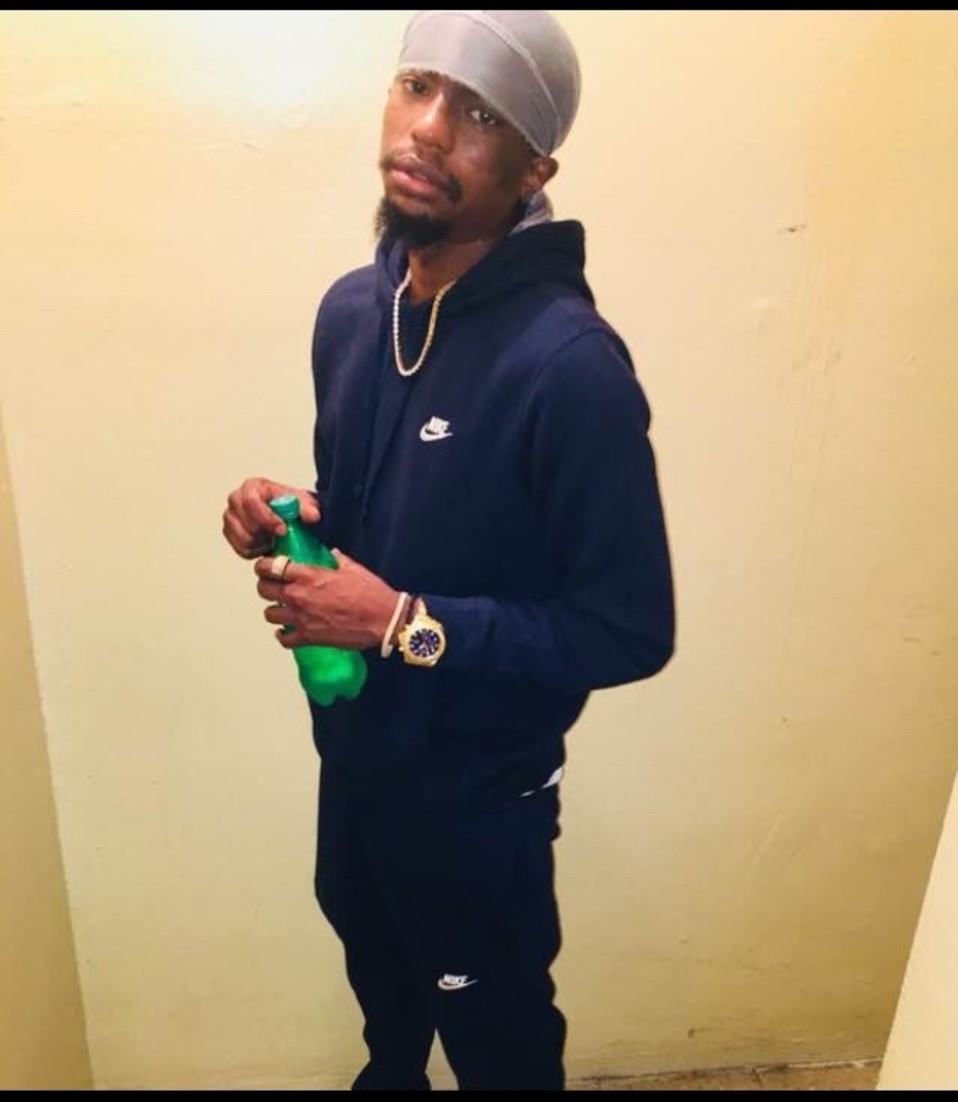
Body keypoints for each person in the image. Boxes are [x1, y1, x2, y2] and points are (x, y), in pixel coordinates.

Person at [221, 9, 675, 1092]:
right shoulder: (352, 313)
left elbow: (628, 631)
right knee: (386, 1011)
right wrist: (297, 515)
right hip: (355, 762)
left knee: (498, 1042)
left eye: (480, 114)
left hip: (479, 803)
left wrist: (398, 624)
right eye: (418, 86)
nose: (429, 128)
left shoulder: (570, 367)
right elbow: (399, 518)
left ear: (534, 169)